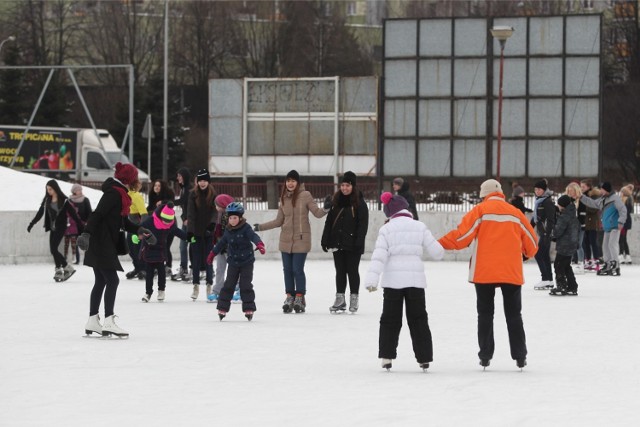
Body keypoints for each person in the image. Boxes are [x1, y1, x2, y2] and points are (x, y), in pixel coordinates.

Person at [438, 179, 538, 370]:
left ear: (484, 195)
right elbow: (532, 243)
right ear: (500, 193)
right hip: (511, 271)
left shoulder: (480, 211)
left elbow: (461, 236)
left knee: (485, 314)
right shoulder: (516, 213)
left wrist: (439, 243)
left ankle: (485, 355)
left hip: (484, 271)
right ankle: (520, 356)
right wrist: (523, 255)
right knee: (514, 315)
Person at [364, 192, 444, 371]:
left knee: (390, 320)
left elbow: (379, 256)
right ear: (406, 209)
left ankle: (386, 356)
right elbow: (437, 252)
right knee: (418, 320)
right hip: (415, 281)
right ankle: (424, 358)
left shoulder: (386, 229)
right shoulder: (420, 226)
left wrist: (372, 280)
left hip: (392, 282)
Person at [78, 162, 155, 338]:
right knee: (112, 280)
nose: (137, 181)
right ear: (129, 179)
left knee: (101, 281)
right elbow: (96, 214)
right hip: (101, 243)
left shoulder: (119, 194)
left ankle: (92, 320)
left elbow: (122, 222)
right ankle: (109, 321)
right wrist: (86, 234)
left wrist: (140, 230)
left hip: (102, 242)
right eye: (135, 177)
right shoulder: (114, 194)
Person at [254, 170, 330, 314]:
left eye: (293, 181)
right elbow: (278, 221)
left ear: (298, 183)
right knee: (287, 270)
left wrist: (326, 208)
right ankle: (289, 296)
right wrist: (260, 227)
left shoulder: (305, 195)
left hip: (301, 240)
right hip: (285, 241)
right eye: (288, 180)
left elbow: (317, 213)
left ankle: (300, 297)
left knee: (297, 269)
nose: (290, 183)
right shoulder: (283, 198)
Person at [206, 202, 265, 321]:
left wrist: (259, 244)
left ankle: (249, 308)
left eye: (235, 218)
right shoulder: (228, 230)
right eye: (230, 218)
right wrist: (212, 253)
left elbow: (253, 236)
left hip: (246, 262)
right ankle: (222, 308)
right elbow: (221, 243)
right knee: (228, 285)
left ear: (240, 218)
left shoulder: (246, 227)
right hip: (233, 262)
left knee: (245, 285)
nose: (232, 220)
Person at [322, 171, 369, 314]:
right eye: (342, 185)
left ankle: (354, 298)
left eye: (347, 185)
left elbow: (363, 225)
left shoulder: (359, 203)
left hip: (353, 244)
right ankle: (340, 299)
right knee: (340, 272)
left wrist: (359, 242)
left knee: (352, 271)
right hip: (337, 242)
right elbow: (329, 222)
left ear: (353, 186)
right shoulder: (336, 201)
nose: (344, 188)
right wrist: (326, 240)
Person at [28, 179, 84, 282]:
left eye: (50, 189)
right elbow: (40, 213)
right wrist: (32, 224)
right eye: (47, 189)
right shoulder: (47, 200)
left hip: (60, 227)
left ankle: (67, 267)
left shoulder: (64, 200)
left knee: (54, 248)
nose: (48, 191)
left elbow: (73, 214)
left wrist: (82, 226)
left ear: (55, 189)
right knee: (52, 250)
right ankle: (59, 271)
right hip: (52, 228)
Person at [137, 202, 189, 303]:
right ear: (161, 216)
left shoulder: (170, 224)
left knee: (162, 273)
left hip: (160, 250)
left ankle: (161, 291)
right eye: (165, 220)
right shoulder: (151, 220)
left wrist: (188, 237)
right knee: (149, 274)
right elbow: (140, 228)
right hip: (149, 250)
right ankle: (148, 293)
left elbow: (177, 232)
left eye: (168, 221)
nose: (166, 223)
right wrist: (136, 236)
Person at [579, 182, 627, 276]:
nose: (600, 190)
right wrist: (581, 197)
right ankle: (608, 263)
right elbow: (592, 203)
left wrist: (621, 221)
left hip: (615, 226)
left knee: (612, 244)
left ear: (606, 190)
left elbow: (623, 210)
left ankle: (615, 264)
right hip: (607, 227)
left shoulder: (615, 199)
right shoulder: (602, 199)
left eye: (602, 189)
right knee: (605, 246)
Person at [187, 168, 217, 300]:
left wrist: (212, 225)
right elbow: (191, 214)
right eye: (200, 181)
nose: (203, 183)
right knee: (196, 260)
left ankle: (209, 284)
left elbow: (215, 212)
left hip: (209, 232)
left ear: (208, 182)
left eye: (205, 180)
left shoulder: (213, 194)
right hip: (197, 232)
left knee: (208, 259)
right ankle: (195, 285)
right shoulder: (193, 194)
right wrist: (190, 231)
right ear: (197, 182)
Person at [549, 195, 580, 296]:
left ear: (563, 206)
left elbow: (558, 231)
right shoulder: (573, 215)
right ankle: (572, 286)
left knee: (558, 265)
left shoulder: (564, 217)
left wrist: (552, 233)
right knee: (566, 266)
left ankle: (561, 286)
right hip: (571, 245)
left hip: (564, 245)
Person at [207, 194, 236, 302]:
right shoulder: (220, 215)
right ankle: (217, 290)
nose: (216, 207)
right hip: (220, 247)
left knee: (234, 269)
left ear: (223, 205)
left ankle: (237, 288)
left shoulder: (231, 217)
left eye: (217, 205)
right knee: (219, 269)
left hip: (231, 248)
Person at [532, 179, 556, 290]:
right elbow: (535, 218)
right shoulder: (539, 201)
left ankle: (545, 279)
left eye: (539, 189)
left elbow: (551, 219)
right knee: (545, 255)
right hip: (542, 232)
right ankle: (549, 280)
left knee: (538, 254)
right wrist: (529, 227)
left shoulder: (547, 201)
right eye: (535, 189)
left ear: (544, 190)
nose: (537, 191)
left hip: (546, 233)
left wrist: (547, 233)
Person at [125, 179, 148, 280]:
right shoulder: (126, 195)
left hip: (137, 225)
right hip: (130, 224)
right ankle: (137, 268)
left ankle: (143, 269)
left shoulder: (137, 196)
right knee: (130, 248)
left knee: (138, 248)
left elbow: (144, 214)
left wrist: (141, 229)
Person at [174, 167, 193, 281]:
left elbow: (185, 203)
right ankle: (184, 268)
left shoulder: (189, 189)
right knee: (183, 246)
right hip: (185, 221)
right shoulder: (184, 189)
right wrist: (184, 217)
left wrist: (168, 202)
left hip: (190, 222)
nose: (178, 178)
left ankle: (194, 268)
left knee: (191, 246)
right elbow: (184, 205)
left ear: (184, 177)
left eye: (180, 176)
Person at [580, 179, 603, 271]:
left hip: (593, 222)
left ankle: (596, 261)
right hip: (584, 222)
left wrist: (583, 209)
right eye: (580, 187)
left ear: (589, 187)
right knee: (585, 242)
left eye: (583, 187)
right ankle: (588, 260)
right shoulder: (582, 196)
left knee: (593, 242)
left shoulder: (594, 195)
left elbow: (594, 208)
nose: (581, 189)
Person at [68, 183, 92, 265]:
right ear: (74, 191)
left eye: (81, 189)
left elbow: (89, 212)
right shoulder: (70, 200)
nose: (80, 191)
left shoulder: (85, 200)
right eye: (78, 190)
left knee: (85, 242)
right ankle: (77, 259)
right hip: (74, 225)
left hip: (84, 224)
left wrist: (88, 222)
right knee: (75, 243)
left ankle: (87, 259)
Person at [565, 182, 586, 274]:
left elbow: (582, 214)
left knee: (578, 245)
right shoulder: (566, 200)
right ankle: (568, 262)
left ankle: (581, 263)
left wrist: (580, 224)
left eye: (572, 191)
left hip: (579, 226)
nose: (570, 192)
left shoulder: (581, 200)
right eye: (569, 191)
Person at [619, 184, 634, 264]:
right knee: (623, 239)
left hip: (623, 222)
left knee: (621, 239)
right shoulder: (627, 200)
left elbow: (625, 212)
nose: (620, 193)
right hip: (626, 222)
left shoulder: (624, 200)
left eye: (621, 192)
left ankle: (621, 255)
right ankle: (627, 256)